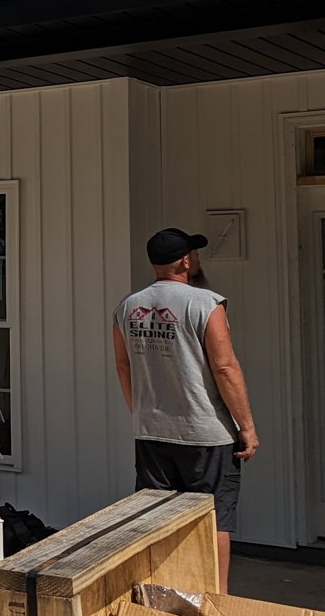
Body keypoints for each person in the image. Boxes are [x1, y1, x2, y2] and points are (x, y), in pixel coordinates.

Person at [111, 227, 259, 592]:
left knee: (156, 516)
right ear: (186, 261)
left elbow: (123, 365)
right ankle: (216, 596)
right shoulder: (206, 303)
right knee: (215, 518)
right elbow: (225, 367)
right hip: (205, 434)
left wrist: (142, 412)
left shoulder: (127, 307)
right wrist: (247, 426)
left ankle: (163, 591)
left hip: (151, 432)